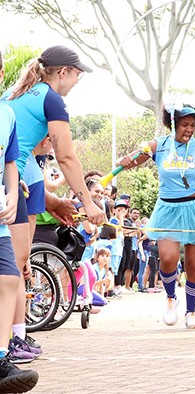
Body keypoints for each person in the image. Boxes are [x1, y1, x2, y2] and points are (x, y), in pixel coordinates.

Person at [2, 46, 105, 361]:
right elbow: (66, 156)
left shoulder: (19, 91)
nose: (76, 82)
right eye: (76, 76)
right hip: (15, 179)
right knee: (14, 267)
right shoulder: (51, 98)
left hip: (19, 175)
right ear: (63, 72)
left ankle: (16, 338)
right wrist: (88, 203)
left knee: (14, 267)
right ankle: (12, 341)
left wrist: (54, 201)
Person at [117, 103, 195, 328]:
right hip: (168, 209)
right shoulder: (158, 146)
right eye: (184, 124)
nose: (189, 129)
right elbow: (131, 161)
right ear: (172, 124)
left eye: (192, 125)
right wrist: (124, 161)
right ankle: (171, 298)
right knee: (169, 259)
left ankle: (191, 312)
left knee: (192, 265)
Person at [0, 49, 39, 393]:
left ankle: (0, 358)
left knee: (10, 278)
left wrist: (12, 195)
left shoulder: (7, 115)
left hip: (0, 217)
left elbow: (11, 162)